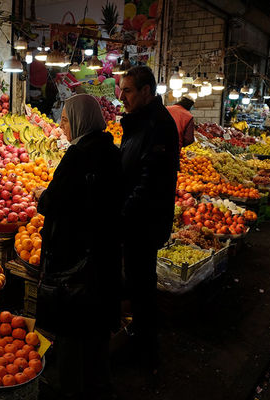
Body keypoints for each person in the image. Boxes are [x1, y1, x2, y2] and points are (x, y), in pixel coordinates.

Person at [35, 94, 122, 400]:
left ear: (80, 121)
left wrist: (40, 197)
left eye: (66, 120)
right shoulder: (111, 151)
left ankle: (71, 390)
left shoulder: (77, 155)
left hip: (76, 258)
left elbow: (55, 201)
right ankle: (99, 385)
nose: (62, 126)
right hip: (104, 255)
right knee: (96, 330)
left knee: (72, 330)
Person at [118, 66, 180, 369]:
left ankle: (144, 350)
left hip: (144, 221)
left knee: (142, 283)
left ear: (145, 91)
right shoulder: (142, 121)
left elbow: (148, 181)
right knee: (138, 279)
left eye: (127, 90)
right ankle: (140, 339)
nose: (122, 96)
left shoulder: (158, 125)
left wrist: (122, 214)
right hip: (137, 218)